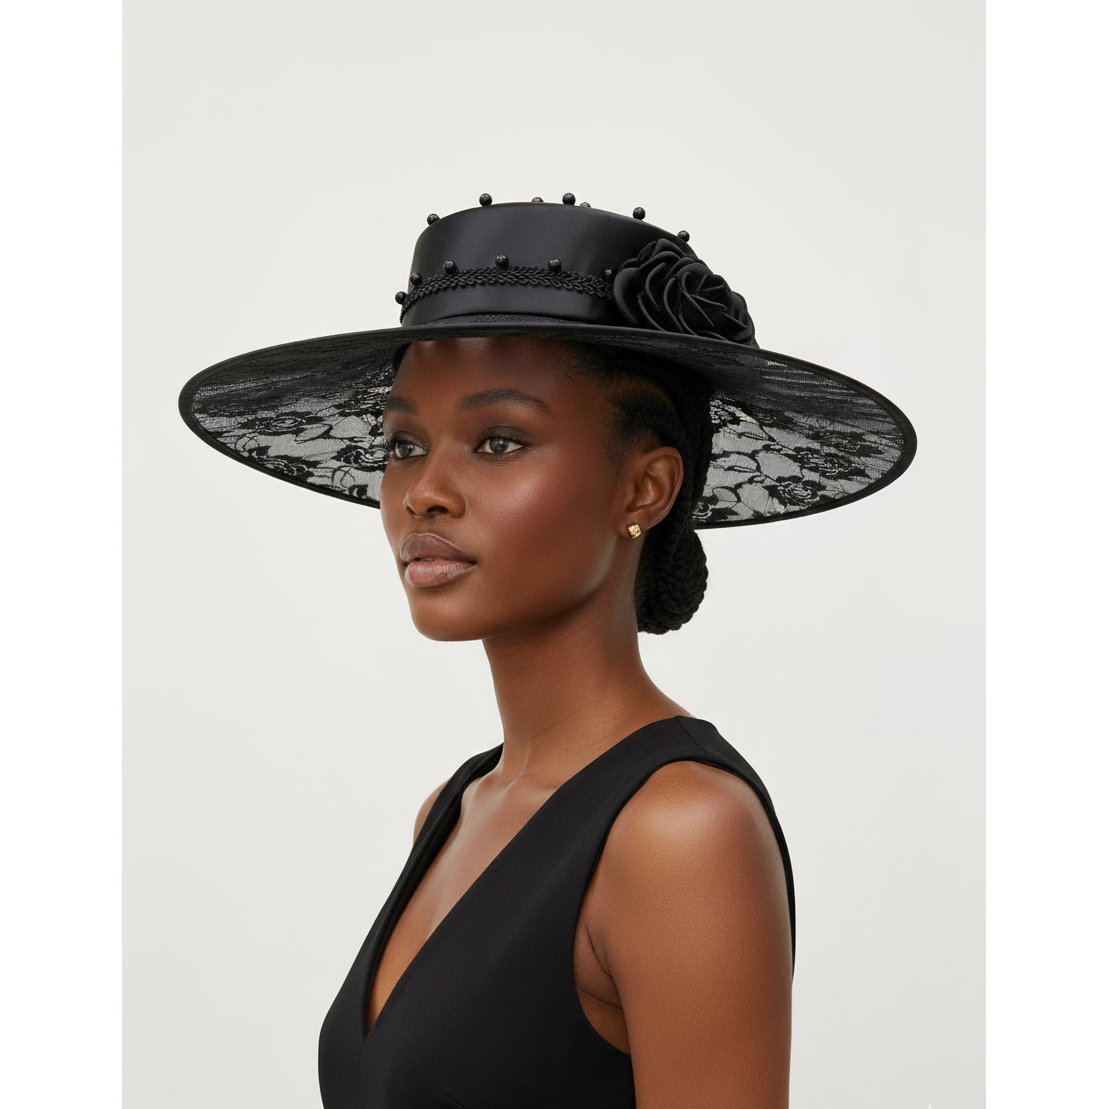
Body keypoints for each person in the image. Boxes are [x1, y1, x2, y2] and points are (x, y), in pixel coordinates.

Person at [180, 193, 915, 1108]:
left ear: (643, 487)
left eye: (497, 440)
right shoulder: (449, 811)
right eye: (404, 443)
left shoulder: (679, 833)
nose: (424, 493)